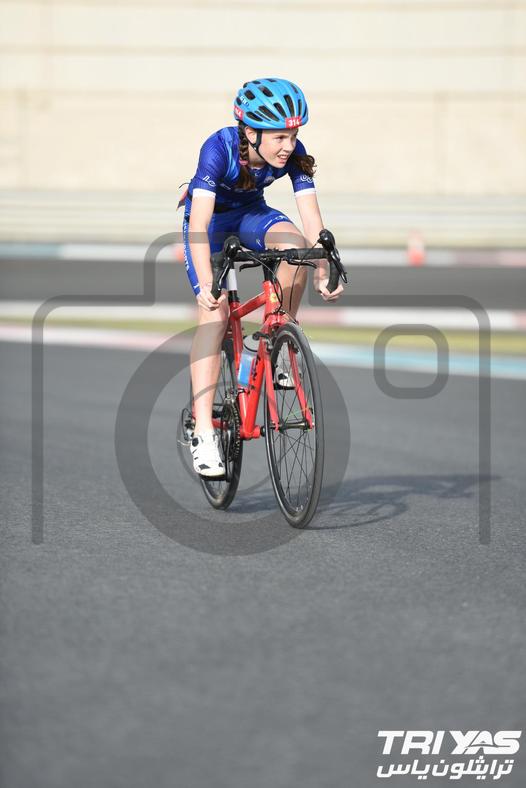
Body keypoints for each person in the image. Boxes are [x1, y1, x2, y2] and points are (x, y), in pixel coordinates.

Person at [182, 77, 344, 477]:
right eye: (279, 137)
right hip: (211, 226)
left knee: (295, 248)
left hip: (252, 215)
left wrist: (322, 267)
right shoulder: (218, 148)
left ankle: (280, 340)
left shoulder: (293, 154)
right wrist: (206, 285)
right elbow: (198, 223)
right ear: (250, 132)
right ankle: (203, 431)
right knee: (216, 314)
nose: (288, 146)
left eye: (293, 135)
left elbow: (311, 219)